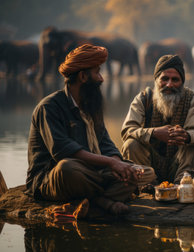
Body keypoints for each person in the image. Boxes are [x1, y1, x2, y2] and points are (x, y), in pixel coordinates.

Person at [27, 44, 138, 215]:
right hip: (52, 177)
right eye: (97, 72)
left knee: (138, 172)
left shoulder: (91, 105)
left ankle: (89, 201)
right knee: (67, 168)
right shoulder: (49, 107)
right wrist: (110, 163)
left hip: (90, 173)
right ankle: (104, 202)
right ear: (83, 76)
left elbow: (105, 143)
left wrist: (117, 164)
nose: (101, 78)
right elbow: (62, 151)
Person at [121, 55, 194, 183]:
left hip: (179, 163)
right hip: (149, 165)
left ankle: (182, 185)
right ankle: (146, 185)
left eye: (175, 80)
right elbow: (128, 130)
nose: (169, 85)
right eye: (164, 79)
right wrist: (154, 133)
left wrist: (186, 136)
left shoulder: (193, 99)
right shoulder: (144, 98)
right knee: (131, 144)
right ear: (156, 80)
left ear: (182, 82)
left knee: (193, 147)